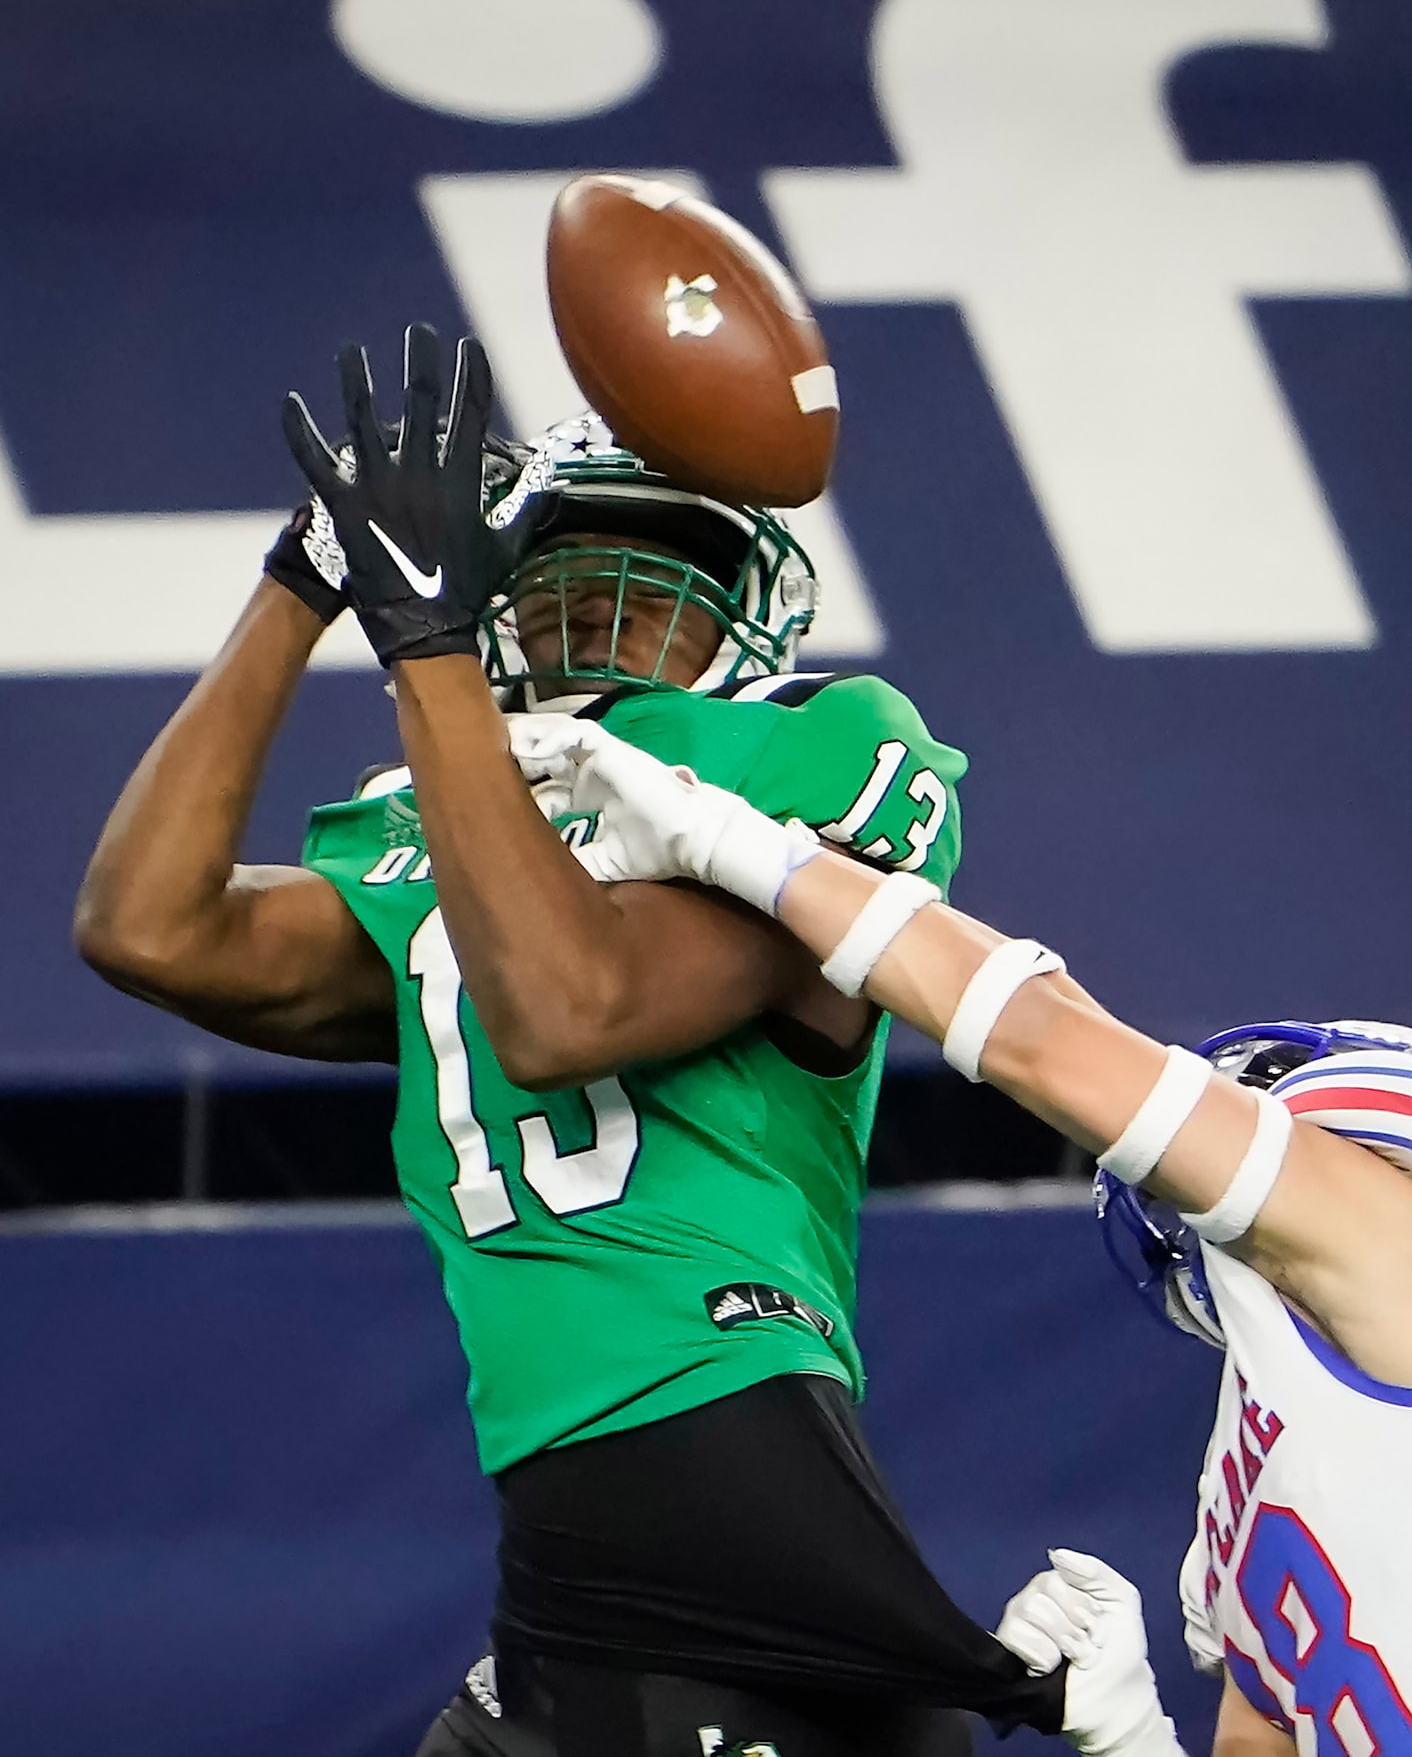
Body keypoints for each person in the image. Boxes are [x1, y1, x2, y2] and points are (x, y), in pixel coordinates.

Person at [75, 324, 1073, 1757]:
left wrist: (429, 661)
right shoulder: (436, 828)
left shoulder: (810, 749)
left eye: (660, 581)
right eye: (557, 577)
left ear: (749, 610)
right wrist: (304, 583)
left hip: (720, 1447)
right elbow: (147, 927)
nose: (601, 608)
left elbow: (568, 1009)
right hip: (573, 1532)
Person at [506, 710, 1412, 1757]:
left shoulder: (1366, 1255)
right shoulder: (1291, 1374)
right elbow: (1062, 1026)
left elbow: (1045, 1041)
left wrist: (736, 845)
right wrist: (1130, 1739)